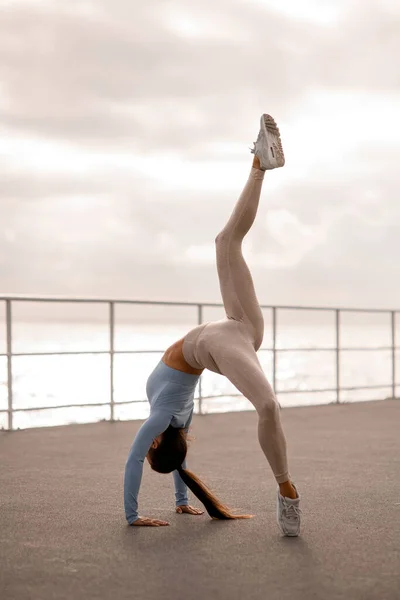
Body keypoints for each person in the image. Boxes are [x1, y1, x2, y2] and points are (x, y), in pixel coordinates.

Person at [124, 114, 302, 536]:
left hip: (240, 328)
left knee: (226, 241)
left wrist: (183, 500)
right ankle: (287, 492)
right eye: (153, 448)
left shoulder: (174, 424)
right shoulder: (164, 419)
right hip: (219, 342)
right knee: (269, 406)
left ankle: (260, 164)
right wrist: (131, 516)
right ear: (155, 443)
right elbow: (135, 460)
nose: (147, 444)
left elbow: (179, 463)